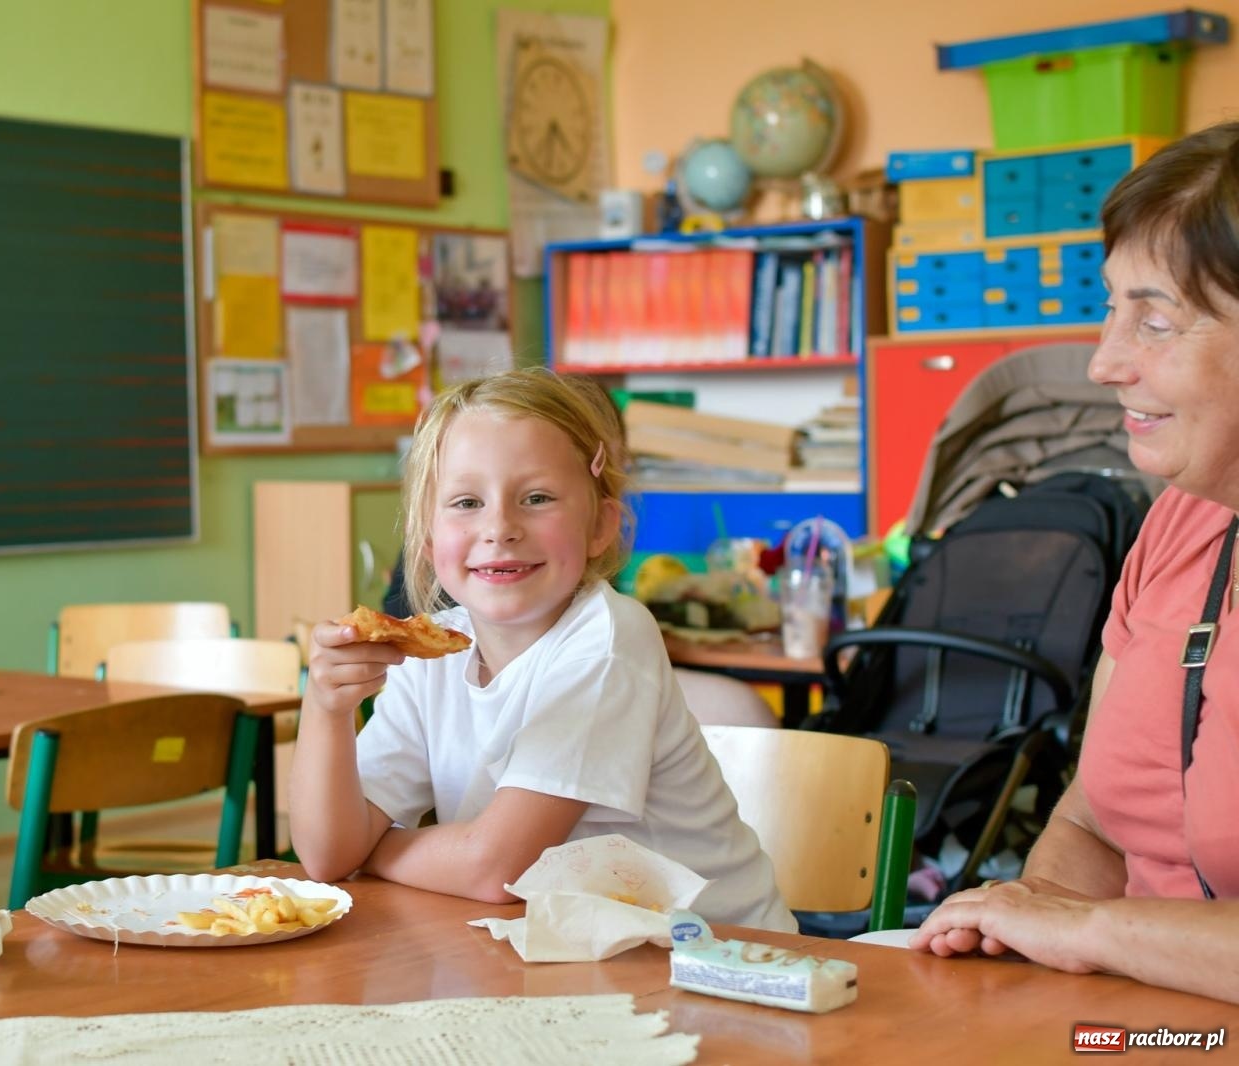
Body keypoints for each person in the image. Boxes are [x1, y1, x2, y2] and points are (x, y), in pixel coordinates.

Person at [909, 123, 1239, 1004]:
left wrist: (1083, 931)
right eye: (1111, 309)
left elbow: (1087, 922)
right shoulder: (1178, 527)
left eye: (1155, 321)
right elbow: (1094, 817)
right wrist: (1023, 920)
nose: (1103, 362)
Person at [291, 368, 794, 931]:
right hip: (569, 955)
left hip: (714, 960)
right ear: (428, 539)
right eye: (465, 502)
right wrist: (326, 707)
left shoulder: (608, 639)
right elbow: (328, 855)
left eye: (537, 497)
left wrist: (376, 851)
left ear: (601, 524)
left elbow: (495, 869)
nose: (500, 527)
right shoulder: (432, 652)